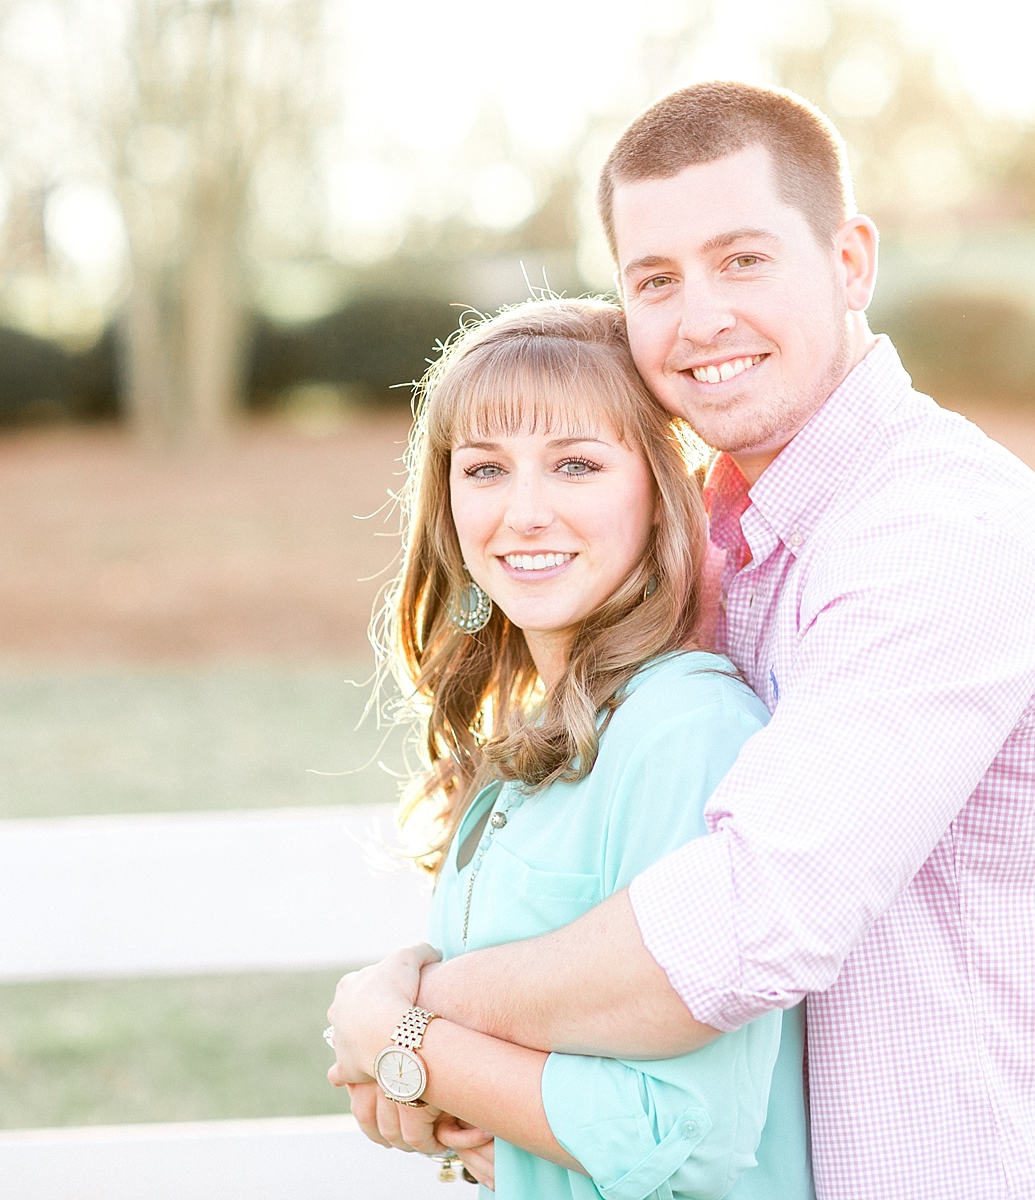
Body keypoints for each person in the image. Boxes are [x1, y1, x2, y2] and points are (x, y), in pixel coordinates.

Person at [331, 81, 1035, 1199]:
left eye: (742, 260)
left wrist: (411, 1019)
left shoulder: (937, 534)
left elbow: (749, 923)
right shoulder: (721, 551)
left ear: (849, 262)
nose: (700, 320)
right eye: (655, 280)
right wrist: (492, 1098)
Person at [325, 297, 813, 1198]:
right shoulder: (520, 743)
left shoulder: (688, 731)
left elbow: (683, 1138)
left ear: (659, 491)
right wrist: (436, 1097)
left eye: (576, 465)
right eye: (485, 469)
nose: (524, 514)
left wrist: (397, 1038)